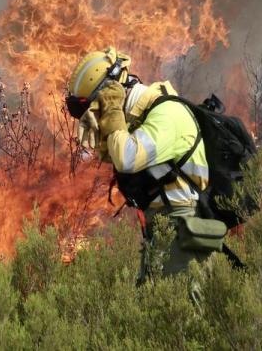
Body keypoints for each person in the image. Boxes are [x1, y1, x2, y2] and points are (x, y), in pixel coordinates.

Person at [65, 47, 227, 284]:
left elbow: (127, 158)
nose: (95, 117)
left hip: (184, 224)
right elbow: (113, 155)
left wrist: (110, 110)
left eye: (93, 107)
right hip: (161, 226)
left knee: (182, 314)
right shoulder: (142, 119)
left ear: (113, 93)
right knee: (153, 310)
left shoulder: (168, 113)